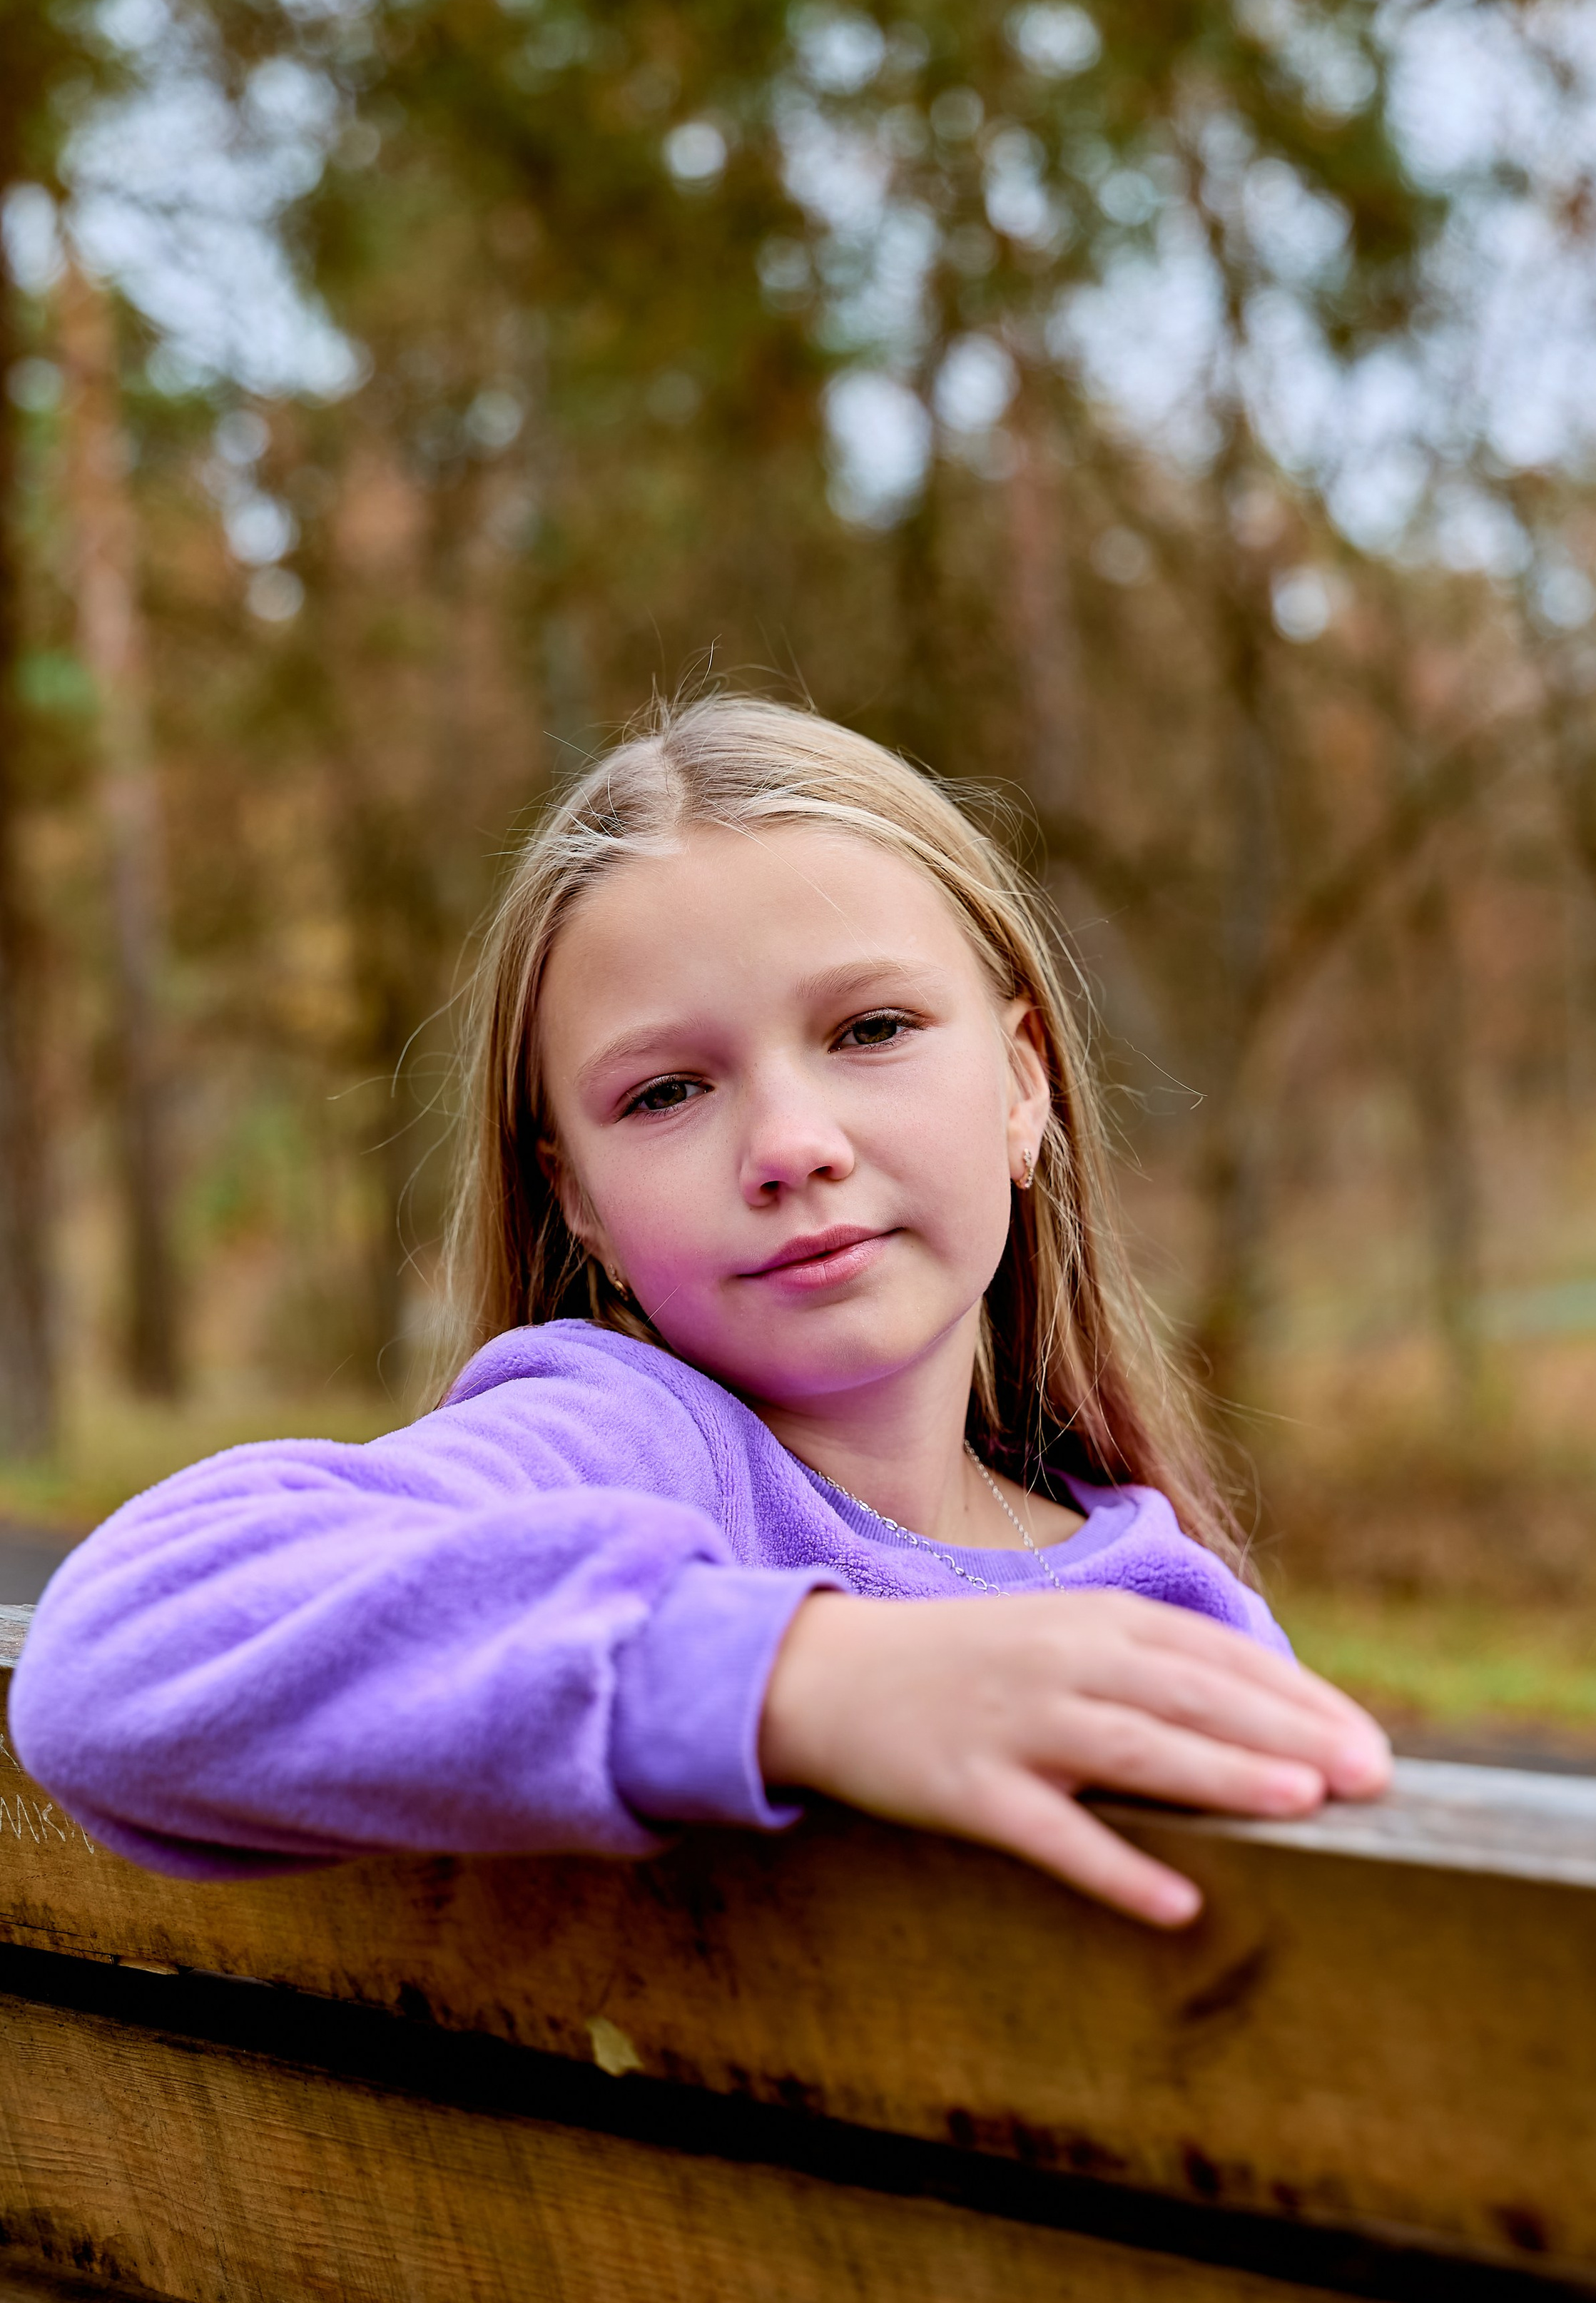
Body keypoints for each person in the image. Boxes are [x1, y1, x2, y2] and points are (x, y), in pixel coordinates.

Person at [11, 695, 1389, 1926]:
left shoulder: (1180, 1605)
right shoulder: (628, 1448)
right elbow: (117, 1658)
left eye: (871, 1030)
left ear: (1024, 1084)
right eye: (666, 1092)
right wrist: (813, 1683)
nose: (793, 1142)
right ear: (579, 1202)